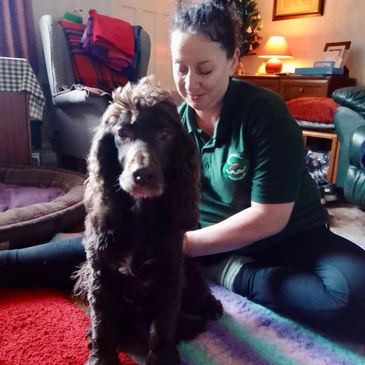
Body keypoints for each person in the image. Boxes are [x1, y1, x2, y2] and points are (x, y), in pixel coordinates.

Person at [1, 0, 364, 342]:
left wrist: (185, 247)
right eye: (180, 67)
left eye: (204, 69)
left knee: (352, 301)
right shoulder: (169, 122)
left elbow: (270, 218)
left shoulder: (264, 113)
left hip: (290, 236)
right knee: (91, 249)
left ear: (233, 59)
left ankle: (228, 273)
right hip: (199, 238)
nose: (190, 83)